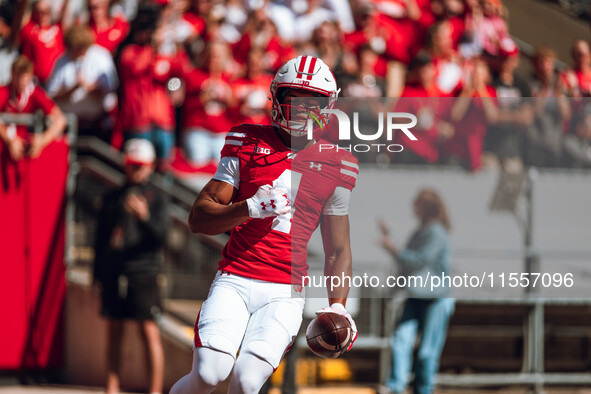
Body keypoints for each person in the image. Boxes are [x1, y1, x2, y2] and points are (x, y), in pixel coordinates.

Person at [169, 55, 359, 394]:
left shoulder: (338, 162)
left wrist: (338, 304)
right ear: (276, 99)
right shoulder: (246, 140)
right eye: (295, 101)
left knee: (246, 380)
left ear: (328, 106)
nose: (302, 110)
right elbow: (198, 218)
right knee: (210, 372)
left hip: (285, 292)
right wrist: (249, 208)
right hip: (236, 278)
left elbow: (338, 248)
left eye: (312, 103)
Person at [93, 139, 168, 394]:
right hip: (115, 272)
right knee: (114, 330)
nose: (135, 170)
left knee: (148, 330)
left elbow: (164, 237)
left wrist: (144, 217)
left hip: (144, 273)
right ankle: (111, 388)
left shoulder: (157, 197)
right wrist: (97, 274)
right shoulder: (113, 196)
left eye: (140, 166)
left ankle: (154, 390)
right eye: (132, 165)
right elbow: (100, 238)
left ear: (151, 166)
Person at [379, 189, 455, 394]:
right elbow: (406, 261)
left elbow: (419, 259)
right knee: (400, 342)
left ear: (427, 207)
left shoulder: (436, 232)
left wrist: (393, 248)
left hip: (436, 299)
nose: (414, 209)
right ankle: (396, 387)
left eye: (417, 205)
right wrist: (389, 240)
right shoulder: (421, 231)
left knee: (426, 353)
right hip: (415, 295)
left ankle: (424, 390)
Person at [47, 25, 118, 139]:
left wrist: (88, 86)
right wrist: (74, 87)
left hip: (95, 124)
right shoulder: (62, 61)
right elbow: (51, 96)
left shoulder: (101, 56)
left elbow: (109, 92)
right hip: (69, 124)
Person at [0, 56, 66, 162]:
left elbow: (60, 119)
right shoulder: (4, 92)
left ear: (31, 77)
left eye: (25, 77)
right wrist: (9, 140)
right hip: (5, 150)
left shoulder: (35, 93)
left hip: (26, 150)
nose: (22, 82)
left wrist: (42, 140)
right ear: (12, 75)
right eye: (18, 77)